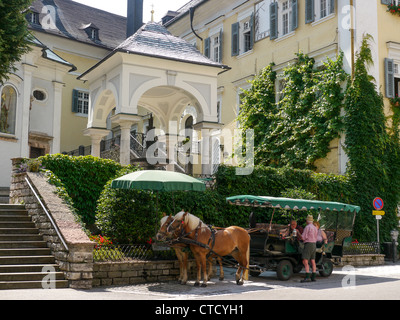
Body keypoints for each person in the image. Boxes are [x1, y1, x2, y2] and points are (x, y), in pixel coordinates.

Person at [301, 215, 318, 282]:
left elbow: (303, 237)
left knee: (305, 260)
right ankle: (313, 276)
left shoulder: (307, 227)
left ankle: (307, 276)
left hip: (308, 244)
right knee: (313, 260)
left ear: (307, 221)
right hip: (314, 244)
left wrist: (300, 236)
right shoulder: (315, 228)